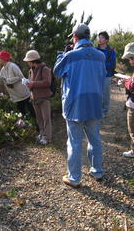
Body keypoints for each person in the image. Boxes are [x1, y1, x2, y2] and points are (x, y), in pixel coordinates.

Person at [54, 23, 106, 187]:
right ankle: (97, 171)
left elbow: (57, 71)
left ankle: (74, 178)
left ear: (75, 37)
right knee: (95, 139)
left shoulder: (71, 56)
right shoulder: (101, 56)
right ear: (89, 37)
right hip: (95, 103)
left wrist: (63, 54)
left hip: (75, 105)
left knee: (75, 142)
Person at [0, 50, 35, 117]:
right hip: (16, 96)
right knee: (22, 114)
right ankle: (28, 126)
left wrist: (9, 80)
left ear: (4, 59)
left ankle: (38, 126)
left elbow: (21, 77)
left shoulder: (13, 66)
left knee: (32, 112)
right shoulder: (3, 69)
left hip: (24, 94)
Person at [23, 50, 53, 145]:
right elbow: (32, 84)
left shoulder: (45, 69)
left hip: (44, 97)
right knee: (39, 118)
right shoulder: (31, 70)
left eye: (28, 60)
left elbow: (47, 82)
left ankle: (47, 137)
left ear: (33, 60)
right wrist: (28, 84)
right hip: (34, 98)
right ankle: (42, 133)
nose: (27, 62)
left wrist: (33, 83)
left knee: (46, 118)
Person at [97, 31, 116, 117]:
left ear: (106, 40)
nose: (99, 39)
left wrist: (101, 64)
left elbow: (112, 64)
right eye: (99, 37)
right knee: (96, 93)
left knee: (105, 93)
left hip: (106, 75)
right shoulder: (95, 50)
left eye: (102, 37)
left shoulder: (111, 51)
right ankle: (96, 110)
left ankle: (104, 111)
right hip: (96, 75)